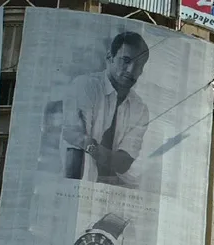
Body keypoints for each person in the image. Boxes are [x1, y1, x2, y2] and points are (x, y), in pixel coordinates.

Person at [60, 31, 150, 187]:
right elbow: (73, 148)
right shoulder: (85, 86)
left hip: (117, 188)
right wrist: (72, 192)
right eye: (126, 60)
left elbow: (123, 163)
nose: (131, 70)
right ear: (110, 57)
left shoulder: (140, 108)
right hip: (79, 184)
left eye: (139, 65)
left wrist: (88, 144)